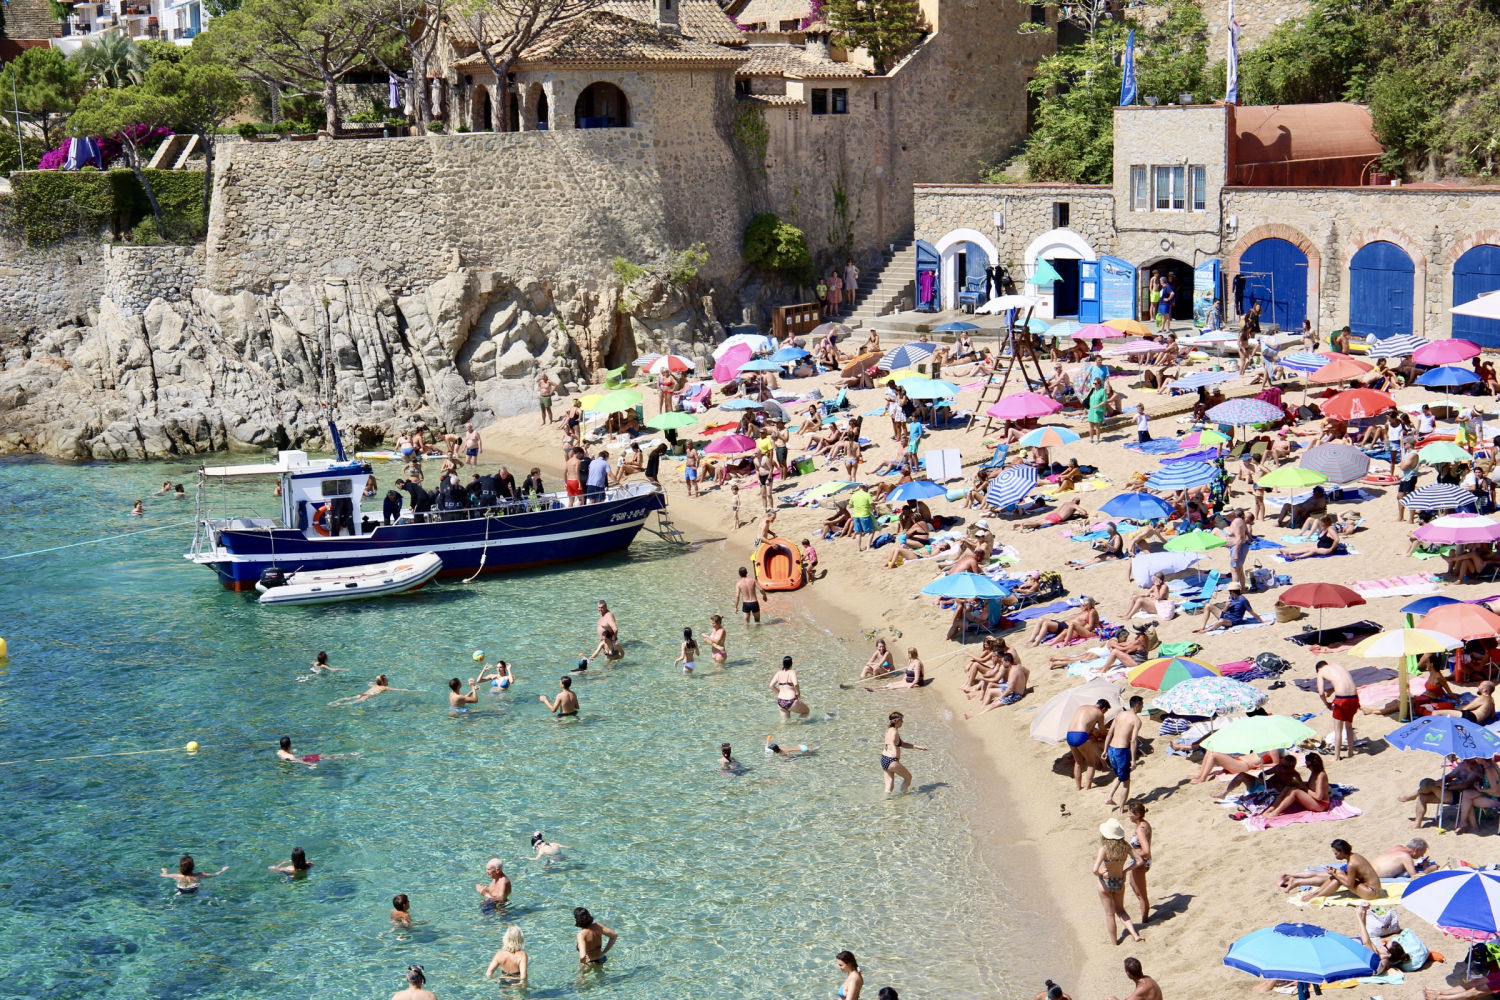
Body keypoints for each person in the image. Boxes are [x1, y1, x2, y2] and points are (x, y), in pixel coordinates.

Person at [1094, 819, 1143, 945]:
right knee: (1121, 911)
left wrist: (1101, 873)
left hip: (1105, 883)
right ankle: (1135, 935)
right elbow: (1139, 861)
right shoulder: (1125, 846)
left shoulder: (1104, 849)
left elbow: (1094, 870)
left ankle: (1114, 942)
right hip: (1119, 880)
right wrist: (1125, 870)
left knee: (1110, 914)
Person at [1279, 839, 1381, 900]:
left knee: (1338, 877)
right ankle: (1315, 894)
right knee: (1338, 874)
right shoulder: (1354, 856)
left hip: (1372, 892)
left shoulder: (1352, 864)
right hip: (1371, 888)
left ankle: (1316, 895)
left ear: (1342, 852)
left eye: (1336, 853)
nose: (1335, 856)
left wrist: (1335, 873)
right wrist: (1335, 872)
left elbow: (1349, 884)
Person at [1263, 751, 1331, 818]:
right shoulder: (1314, 772)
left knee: (1295, 791)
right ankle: (1273, 808)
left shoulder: (1321, 775)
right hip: (1314, 800)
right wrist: (1299, 784)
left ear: (1314, 764)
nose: (1307, 767)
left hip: (1321, 805)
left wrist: (1304, 788)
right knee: (1288, 787)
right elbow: (1310, 786)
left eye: (1309, 766)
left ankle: (1275, 812)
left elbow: (1318, 797)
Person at [1315, 659, 1358, 760]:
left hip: (1342, 699)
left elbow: (1321, 692)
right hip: (1354, 697)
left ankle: (1336, 757)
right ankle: (1351, 752)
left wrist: (1326, 703)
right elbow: (1343, 681)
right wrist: (1332, 689)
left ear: (1318, 669)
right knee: (1349, 726)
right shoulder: (1337, 665)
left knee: (1338, 729)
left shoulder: (1321, 672)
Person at [1105, 696, 1143, 809]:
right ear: (1137, 705)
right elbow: (1133, 741)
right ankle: (1121, 808)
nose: (1143, 706)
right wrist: (1133, 760)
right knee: (1126, 781)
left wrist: (1105, 749)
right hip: (1121, 751)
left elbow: (1110, 733)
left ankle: (1109, 797)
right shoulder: (1136, 720)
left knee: (1119, 775)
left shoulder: (1119, 714)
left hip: (1111, 748)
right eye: (1142, 704)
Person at [1067, 699, 1111, 790]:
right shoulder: (1099, 713)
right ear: (1103, 709)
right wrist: (1111, 731)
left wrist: (1092, 730)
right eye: (1105, 711)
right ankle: (1088, 787)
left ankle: (1078, 787)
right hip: (1081, 736)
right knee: (1091, 763)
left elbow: (1084, 723)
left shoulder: (1082, 707)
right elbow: (1102, 731)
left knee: (1078, 763)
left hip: (1069, 735)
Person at [881, 711, 927, 795]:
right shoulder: (894, 731)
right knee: (908, 778)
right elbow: (891, 742)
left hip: (884, 759)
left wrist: (917, 747)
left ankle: (887, 801)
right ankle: (903, 795)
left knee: (889, 787)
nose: (902, 722)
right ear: (896, 721)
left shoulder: (889, 730)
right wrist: (894, 751)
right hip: (892, 760)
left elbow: (902, 744)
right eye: (901, 720)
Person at [1192, 581, 1261, 633]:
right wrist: (1226, 606)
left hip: (1233, 621)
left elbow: (1251, 612)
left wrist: (1261, 621)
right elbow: (1224, 611)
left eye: (1230, 591)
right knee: (1208, 605)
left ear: (1233, 591)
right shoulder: (1231, 597)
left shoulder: (1243, 600)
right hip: (1225, 616)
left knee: (1221, 621)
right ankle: (1202, 627)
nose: (1229, 592)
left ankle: (1207, 630)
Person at [1125, 802, 1152, 925]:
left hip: (1140, 863)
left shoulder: (1140, 830)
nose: (1128, 816)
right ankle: (1144, 912)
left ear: (1137, 815)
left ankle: (1145, 921)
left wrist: (1133, 854)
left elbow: (1146, 851)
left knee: (1141, 895)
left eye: (1130, 813)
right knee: (1132, 883)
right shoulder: (1145, 824)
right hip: (1141, 862)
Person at [160, 854, 227, 894]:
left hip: (181, 890)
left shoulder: (177, 876)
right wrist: (222, 870)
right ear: (193, 867)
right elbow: (214, 875)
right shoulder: (199, 875)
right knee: (202, 885)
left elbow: (163, 875)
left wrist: (164, 871)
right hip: (194, 889)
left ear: (180, 867)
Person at [771, 655, 809, 720]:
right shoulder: (792, 672)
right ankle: (797, 723)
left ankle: (789, 726)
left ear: (783, 664)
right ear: (791, 664)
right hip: (791, 700)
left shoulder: (778, 673)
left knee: (785, 722)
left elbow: (771, 686)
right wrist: (798, 693)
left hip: (781, 701)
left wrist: (779, 692)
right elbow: (796, 684)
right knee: (806, 712)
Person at [1224, 507, 1251, 590]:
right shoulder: (1240, 520)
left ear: (1230, 514)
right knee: (1239, 569)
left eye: (1226, 515)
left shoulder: (1235, 522)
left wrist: (1235, 553)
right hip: (1242, 546)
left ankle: (1235, 591)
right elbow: (1247, 533)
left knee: (1234, 570)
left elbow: (1238, 539)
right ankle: (1243, 588)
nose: (1225, 517)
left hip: (1238, 548)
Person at [849, 484, 876, 551]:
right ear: (865, 488)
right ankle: (868, 547)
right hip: (865, 515)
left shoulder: (854, 495)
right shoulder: (867, 495)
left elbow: (850, 506)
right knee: (872, 531)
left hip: (856, 516)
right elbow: (872, 505)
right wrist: (873, 508)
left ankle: (859, 548)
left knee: (858, 532)